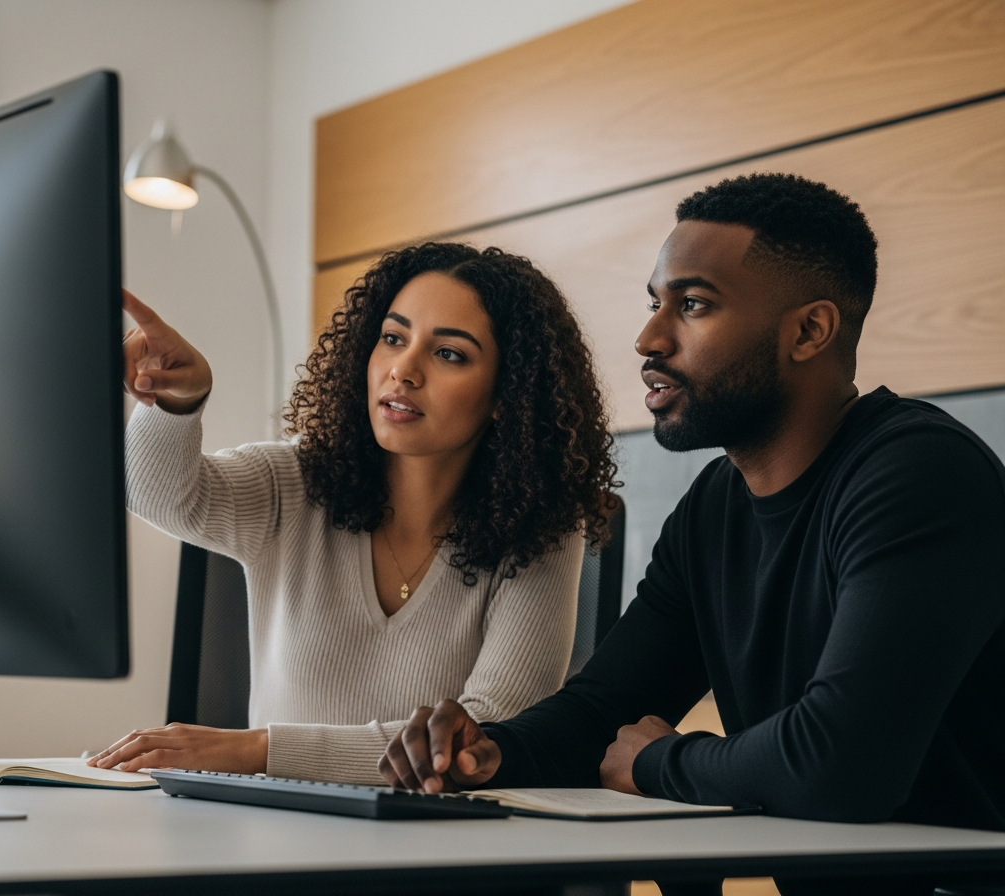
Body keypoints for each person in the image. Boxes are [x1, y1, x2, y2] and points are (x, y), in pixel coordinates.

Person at [378, 175, 1005, 896]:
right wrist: (489, 751)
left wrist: (659, 763)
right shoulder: (715, 504)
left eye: (694, 305)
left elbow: (842, 765)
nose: (649, 338)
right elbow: (602, 710)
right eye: (655, 304)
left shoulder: (920, 475)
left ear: (809, 331)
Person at [88, 242, 619, 784]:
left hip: (437, 855)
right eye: (392, 338)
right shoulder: (296, 482)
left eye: (449, 354)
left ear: (508, 392)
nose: (403, 371)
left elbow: (483, 735)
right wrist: (179, 400)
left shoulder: (541, 532)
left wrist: (255, 752)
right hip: (277, 840)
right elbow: (157, 494)